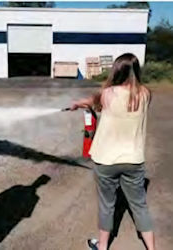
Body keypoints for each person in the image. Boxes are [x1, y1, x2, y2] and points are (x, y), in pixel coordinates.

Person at [70, 53, 155, 250]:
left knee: (107, 205)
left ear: (117, 70)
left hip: (105, 160)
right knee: (140, 206)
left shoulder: (107, 94)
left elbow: (92, 102)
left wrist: (77, 104)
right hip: (133, 160)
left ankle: (102, 246)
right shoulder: (146, 94)